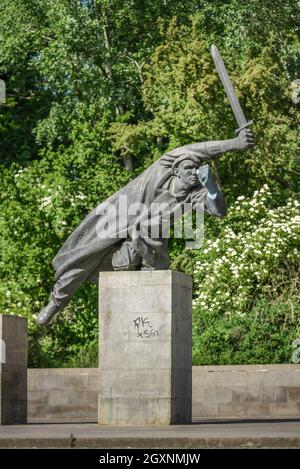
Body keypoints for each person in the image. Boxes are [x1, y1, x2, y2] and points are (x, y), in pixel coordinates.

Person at [37, 128, 254, 325]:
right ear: (176, 170)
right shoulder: (161, 168)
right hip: (117, 218)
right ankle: (56, 303)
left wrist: (212, 187)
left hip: (148, 243)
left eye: (196, 170)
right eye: (188, 168)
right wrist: (234, 144)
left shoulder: (193, 194)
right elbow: (200, 149)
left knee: (130, 267)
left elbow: (219, 210)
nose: (193, 172)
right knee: (82, 257)